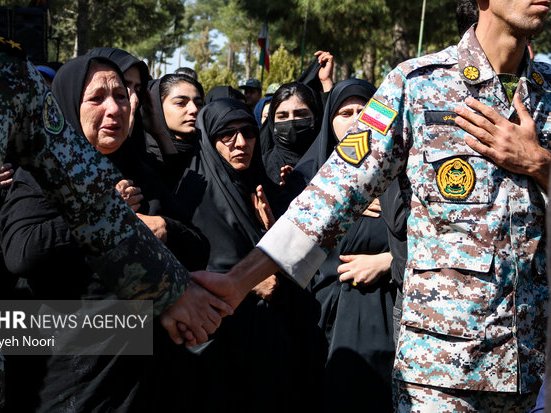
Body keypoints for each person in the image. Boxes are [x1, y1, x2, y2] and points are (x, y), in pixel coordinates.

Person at [172, 0, 551, 410]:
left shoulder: (547, 95)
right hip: (444, 375)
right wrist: (238, 281)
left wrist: (541, 165)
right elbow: (330, 194)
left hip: (529, 370)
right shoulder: (416, 84)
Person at [0, 4, 227, 410]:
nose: (117, 109)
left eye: (123, 96)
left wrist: (165, 255)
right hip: (63, 364)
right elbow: (23, 253)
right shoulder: (34, 180)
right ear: (71, 103)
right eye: (98, 98)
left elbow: (182, 240)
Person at [174, 98, 322, 412]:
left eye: (248, 132)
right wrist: (250, 282)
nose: (241, 143)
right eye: (227, 134)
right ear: (210, 139)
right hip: (218, 349)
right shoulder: (192, 194)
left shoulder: (264, 190)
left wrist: (271, 229)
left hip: (271, 347)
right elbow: (186, 267)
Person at [284, 79, 396, 412]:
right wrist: (345, 203)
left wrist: (387, 261)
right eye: (345, 112)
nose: (355, 118)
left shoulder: (399, 175)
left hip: (380, 320)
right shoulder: (306, 179)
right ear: (329, 120)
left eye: (364, 110)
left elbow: (435, 241)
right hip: (317, 320)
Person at [141, 73, 205, 189]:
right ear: (156, 106)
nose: (194, 110)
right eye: (181, 103)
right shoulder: (145, 156)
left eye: (199, 104)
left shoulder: (209, 152)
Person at [261, 82, 322, 187]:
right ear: (272, 121)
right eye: (282, 116)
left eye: (301, 114)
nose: (291, 122)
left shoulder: (330, 163)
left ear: (315, 117)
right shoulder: (261, 167)